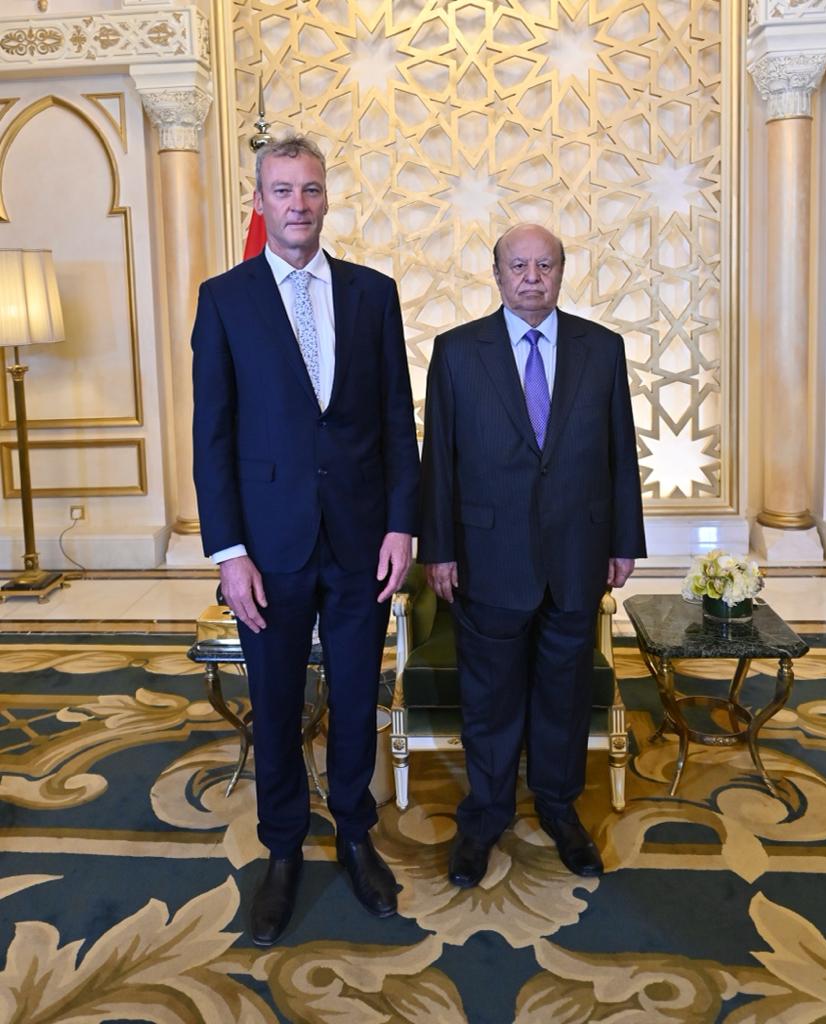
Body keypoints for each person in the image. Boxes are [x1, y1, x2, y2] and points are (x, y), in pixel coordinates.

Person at [191, 133, 420, 945]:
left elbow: (396, 418)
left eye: (311, 189)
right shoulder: (224, 299)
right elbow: (212, 436)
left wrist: (402, 523)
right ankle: (282, 849)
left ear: (327, 198)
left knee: (356, 699)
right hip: (268, 548)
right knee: (278, 702)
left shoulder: (372, 293)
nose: (298, 204)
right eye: (283, 190)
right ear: (259, 201)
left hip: (361, 541)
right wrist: (229, 554)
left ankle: (355, 835)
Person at [419, 223, 645, 887]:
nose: (531, 278)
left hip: (577, 555)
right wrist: (438, 550)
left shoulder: (602, 349)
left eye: (544, 265)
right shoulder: (457, 352)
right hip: (486, 557)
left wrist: (623, 540)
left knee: (563, 695)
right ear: (496, 275)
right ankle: (485, 816)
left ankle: (558, 807)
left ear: (561, 273)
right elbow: (439, 461)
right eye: (518, 266)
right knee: (489, 699)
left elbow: (620, 453)